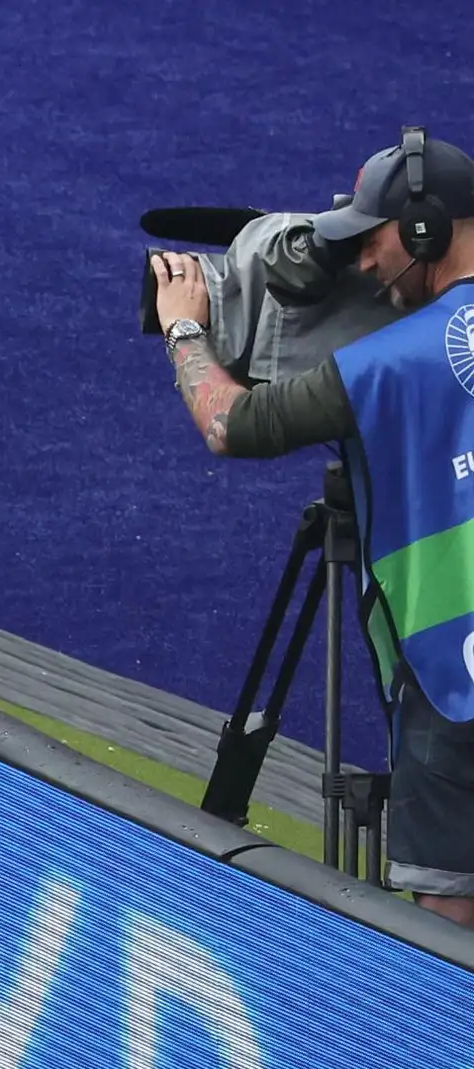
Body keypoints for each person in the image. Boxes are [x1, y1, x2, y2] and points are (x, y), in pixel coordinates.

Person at [151, 126, 474, 930]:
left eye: (371, 242)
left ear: (424, 230)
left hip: (454, 678)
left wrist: (186, 323)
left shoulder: (393, 362)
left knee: (448, 915)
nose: (363, 264)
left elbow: (233, 423)